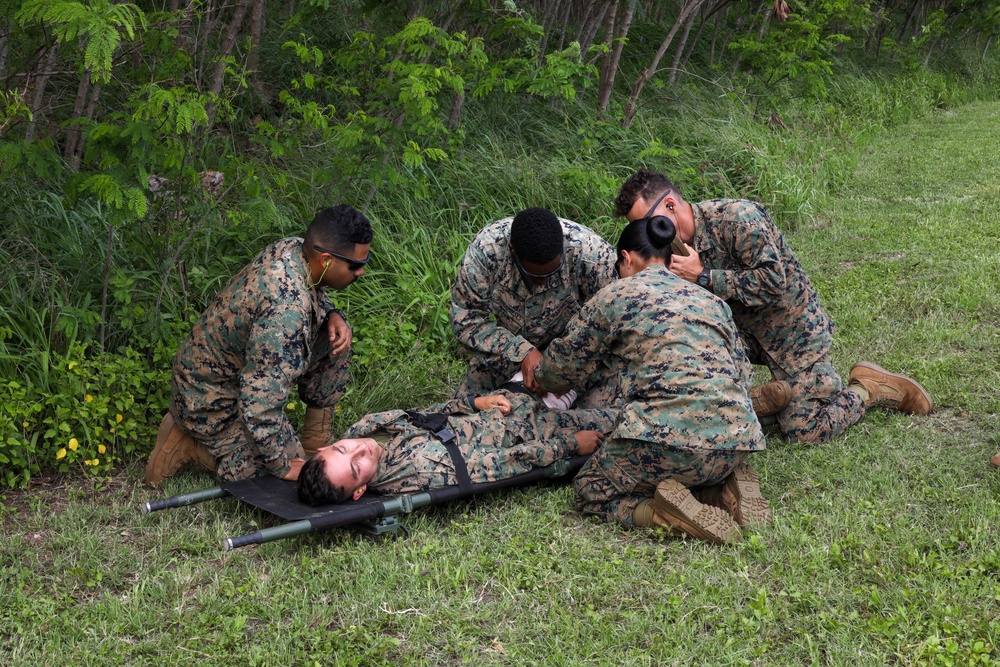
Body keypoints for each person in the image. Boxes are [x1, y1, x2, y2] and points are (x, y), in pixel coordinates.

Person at [614, 170, 933, 444]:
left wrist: (704, 276)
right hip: (744, 334)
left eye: (648, 223)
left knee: (805, 430)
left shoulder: (737, 219)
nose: (647, 236)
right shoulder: (670, 251)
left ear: (669, 205)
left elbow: (772, 283)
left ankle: (868, 388)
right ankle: (743, 403)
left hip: (792, 333)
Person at [534, 214, 769, 545]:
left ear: (626, 259)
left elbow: (558, 373)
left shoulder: (615, 295)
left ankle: (664, 516)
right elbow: (743, 376)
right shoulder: (713, 303)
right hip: (737, 441)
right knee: (696, 462)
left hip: (666, 444)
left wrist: (539, 375)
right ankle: (719, 489)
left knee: (591, 488)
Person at [145, 205, 373, 486]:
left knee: (336, 333)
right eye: (355, 265)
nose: (361, 271)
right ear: (326, 260)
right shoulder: (286, 313)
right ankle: (188, 441)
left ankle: (315, 445)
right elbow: (259, 405)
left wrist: (331, 313)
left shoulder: (293, 249)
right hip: (207, 399)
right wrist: (281, 464)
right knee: (281, 480)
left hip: (228, 375)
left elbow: (315, 294)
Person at [297, 387, 616, 504]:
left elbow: (424, 416)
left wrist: (475, 401)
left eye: (342, 448)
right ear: (359, 491)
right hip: (532, 428)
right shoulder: (422, 467)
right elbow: (506, 463)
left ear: (325, 447)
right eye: (355, 467)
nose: (359, 450)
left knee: (569, 365)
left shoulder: (363, 429)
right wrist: (570, 444)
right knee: (623, 418)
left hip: (505, 403)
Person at [450, 207, 619, 408]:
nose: (544, 281)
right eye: (535, 276)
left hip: (575, 355)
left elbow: (617, 322)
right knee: (462, 412)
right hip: (509, 350)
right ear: (513, 250)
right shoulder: (487, 253)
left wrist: (564, 368)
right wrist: (521, 352)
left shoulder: (593, 256)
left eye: (552, 273)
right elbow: (467, 320)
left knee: (595, 421)